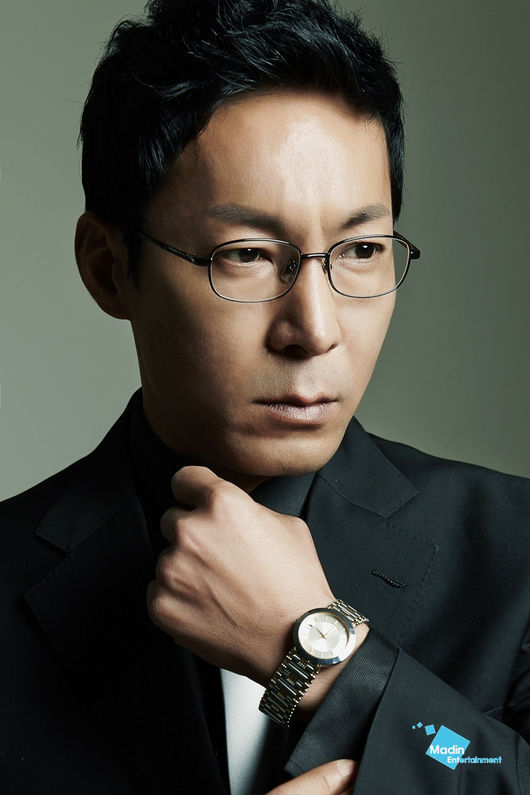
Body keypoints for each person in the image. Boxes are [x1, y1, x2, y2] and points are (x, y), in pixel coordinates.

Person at [1, 0, 528, 793]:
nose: (315, 329)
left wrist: (323, 662)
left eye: (361, 249)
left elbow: (495, 769)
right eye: (246, 254)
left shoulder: (516, 553)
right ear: (109, 268)